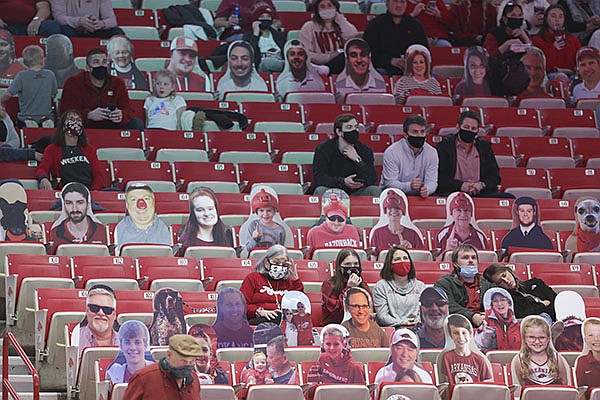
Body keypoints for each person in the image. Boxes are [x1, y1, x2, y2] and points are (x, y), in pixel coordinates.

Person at [60, 49, 143, 131]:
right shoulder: (73, 82)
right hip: (84, 124)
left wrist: (122, 115)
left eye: (104, 62)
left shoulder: (118, 83)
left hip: (112, 123)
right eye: (96, 62)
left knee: (136, 123)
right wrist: (88, 115)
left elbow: (128, 110)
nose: (101, 66)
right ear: (88, 68)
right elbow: (66, 113)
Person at [436, 110, 504, 198]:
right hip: (453, 194)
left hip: (480, 194)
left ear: (477, 131)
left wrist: (481, 185)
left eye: (473, 129)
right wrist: (461, 186)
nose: (469, 131)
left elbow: (495, 177)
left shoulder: (484, 147)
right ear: (458, 127)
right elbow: (439, 177)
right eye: (466, 127)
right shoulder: (445, 147)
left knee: (508, 197)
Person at [312, 113, 380, 196]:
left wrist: (358, 160)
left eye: (356, 127)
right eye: (349, 127)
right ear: (339, 132)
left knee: (374, 190)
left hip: (357, 192)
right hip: (333, 191)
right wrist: (343, 182)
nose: (354, 130)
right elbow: (319, 178)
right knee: (321, 190)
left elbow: (372, 179)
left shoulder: (365, 150)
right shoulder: (324, 149)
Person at [36, 109, 106, 190]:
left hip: (89, 192)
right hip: (66, 193)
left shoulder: (89, 149)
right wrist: (43, 178)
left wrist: (94, 191)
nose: (76, 123)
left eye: (78, 120)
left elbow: (98, 174)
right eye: (71, 119)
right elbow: (42, 169)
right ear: (63, 126)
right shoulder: (52, 149)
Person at [123, 334, 203, 400]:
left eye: (192, 361)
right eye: (183, 361)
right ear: (169, 355)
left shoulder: (194, 379)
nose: (187, 365)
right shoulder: (143, 378)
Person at [240, 244, 304, 325]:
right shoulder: (253, 278)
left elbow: (301, 306)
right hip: (260, 323)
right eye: (276, 262)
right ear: (266, 262)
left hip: (286, 323)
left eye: (284, 264)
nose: (280, 266)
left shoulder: (290, 282)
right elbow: (240, 306)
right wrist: (259, 311)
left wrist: (296, 280)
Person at [363, 0, 428, 76]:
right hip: (384, 69)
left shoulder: (416, 25)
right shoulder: (375, 25)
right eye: (395, 1)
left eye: (402, 2)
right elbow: (367, 53)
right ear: (387, 4)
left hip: (413, 70)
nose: (399, 5)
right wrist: (390, 61)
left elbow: (425, 52)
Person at [434, 244, 492, 328]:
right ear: (455, 263)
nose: (471, 261)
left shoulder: (487, 284)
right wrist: (472, 316)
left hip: (485, 326)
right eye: (465, 257)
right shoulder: (444, 283)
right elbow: (448, 306)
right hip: (456, 327)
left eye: (474, 258)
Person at [381, 114, 438, 197]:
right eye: (415, 132)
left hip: (420, 196)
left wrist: (427, 189)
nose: (419, 135)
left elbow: (432, 181)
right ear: (405, 134)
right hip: (393, 195)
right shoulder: (392, 152)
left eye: (422, 131)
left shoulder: (432, 152)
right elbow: (390, 182)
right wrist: (409, 186)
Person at [0, 45, 57, 128]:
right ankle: (45, 120)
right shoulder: (50, 75)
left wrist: (0, 101)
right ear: (42, 59)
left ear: (25, 62)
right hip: (47, 116)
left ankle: (30, 121)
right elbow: (53, 94)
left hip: (26, 117)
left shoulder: (22, 76)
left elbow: (8, 94)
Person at [298, 0, 359, 75]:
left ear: (335, 8)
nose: (326, 9)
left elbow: (352, 35)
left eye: (330, 6)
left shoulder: (340, 23)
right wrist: (329, 57)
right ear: (318, 11)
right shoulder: (309, 26)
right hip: (317, 66)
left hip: (342, 63)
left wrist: (340, 19)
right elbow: (306, 53)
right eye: (322, 7)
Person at [510, 315, 570, 388]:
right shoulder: (520, 360)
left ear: (548, 338)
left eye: (542, 337)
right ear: (524, 338)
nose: (537, 342)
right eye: (531, 337)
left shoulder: (556, 358)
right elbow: (522, 385)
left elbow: (564, 383)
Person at [373, 246, 426, 327]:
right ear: (390, 264)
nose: (402, 261)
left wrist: (416, 322)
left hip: (417, 328)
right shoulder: (381, 287)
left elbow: (424, 313)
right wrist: (401, 322)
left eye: (405, 258)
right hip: (392, 329)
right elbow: (382, 316)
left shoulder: (421, 286)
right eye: (397, 259)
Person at [482, 263, 557, 321]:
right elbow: (523, 314)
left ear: (509, 271)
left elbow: (555, 300)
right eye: (500, 282)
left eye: (504, 275)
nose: (507, 281)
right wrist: (542, 305)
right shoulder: (507, 300)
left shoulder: (536, 282)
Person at [114, 183, 171, 255]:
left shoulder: (165, 229)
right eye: (133, 199)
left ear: (153, 202)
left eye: (146, 198)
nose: (141, 204)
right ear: (127, 205)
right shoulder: (119, 230)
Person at [322, 248, 372, 325]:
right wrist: (349, 288)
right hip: (335, 327)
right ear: (340, 268)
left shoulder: (363, 285)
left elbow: (369, 309)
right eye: (347, 264)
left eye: (356, 264)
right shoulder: (329, 284)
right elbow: (334, 312)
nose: (352, 267)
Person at [439, 314, 493, 384]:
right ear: (450, 335)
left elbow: (484, 386)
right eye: (456, 333)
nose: (460, 337)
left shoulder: (480, 359)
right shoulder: (447, 357)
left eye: (464, 333)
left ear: (470, 334)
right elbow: (447, 384)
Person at [49, 182, 106, 247]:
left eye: (80, 203)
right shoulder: (55, 233)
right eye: (69, 203)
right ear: (64, 206)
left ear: (88, 205)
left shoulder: (101, 230)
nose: (74, 209)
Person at [71, 284, 119, 361]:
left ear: (114, 315)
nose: (101, 313)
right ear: (87, 311)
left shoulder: (127, 343)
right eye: (94, 308)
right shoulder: (73, 337)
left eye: (107, 310)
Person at [370, 189, 425, 254]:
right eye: (390, 208)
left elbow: (421, 258)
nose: (393, 211)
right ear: (385, 211)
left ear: (403, 211)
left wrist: (410, 250)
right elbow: (373, 258)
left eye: (397, 208)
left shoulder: (413, 234)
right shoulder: (377, 233)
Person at [334, 38, 387, 102]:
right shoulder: (338, 88)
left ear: (369, 59)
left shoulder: (381, 87)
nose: (359, 60)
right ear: (347, 60)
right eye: (353, 55)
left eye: (363, 55)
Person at [532, 5, 581, 75]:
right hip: (550, 76)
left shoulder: (573, 39)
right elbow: (539, 66)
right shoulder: (538, 40)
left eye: (561, 16)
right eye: (553, 16)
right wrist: (553, 49)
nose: (557, 19)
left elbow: (580, 60)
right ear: (546, 19)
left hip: (573, 75)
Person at [240, 187, 290, 254]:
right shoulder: (253, 225)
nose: (265, 214)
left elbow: (280, 251)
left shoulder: (280, 230)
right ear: (256, 212)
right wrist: (255, 239)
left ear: (275, 211)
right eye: (261, 211)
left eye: (269, 210)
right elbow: (249, 249)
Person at [107, 320, 154, 385]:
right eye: (127, 342)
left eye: (137, 342)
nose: (133, 348)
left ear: (145, 345)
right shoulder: (114, 372)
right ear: (121, 346)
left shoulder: (155, 371)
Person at [475, 288, 521, 352]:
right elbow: (481, 347)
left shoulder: (517, 325)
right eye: (495, 301)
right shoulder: (486, 324)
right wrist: (488, 330)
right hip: (492, 360)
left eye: (503, 300)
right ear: (492, 305)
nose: (499, 304)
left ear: (509, 303)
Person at [243, 3, 285, 73]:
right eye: (262, 16)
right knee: (266, 62)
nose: (265, 19)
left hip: (280, 67)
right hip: (260, 69)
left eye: (268, 16)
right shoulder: (248, 37)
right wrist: (255, 34)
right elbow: (248, 55)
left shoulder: (278, 36)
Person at [50, 0, 125, 38]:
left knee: (117, 32)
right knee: (63, 30)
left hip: (94, 29)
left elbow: (112, 20)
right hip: (72, 29)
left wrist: (101, 24)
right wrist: (79, 21)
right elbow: (59, 18)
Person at [214, 0, 280, 41]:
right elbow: (217, 22)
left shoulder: (266, 1)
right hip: (239, 35)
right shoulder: (230, 1)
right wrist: (228, 23)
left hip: (263, 35)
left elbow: (277, 21)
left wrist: (273, 27)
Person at [575, 318, 600, 400]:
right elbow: (581, 392)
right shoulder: (582, 362)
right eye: (591, 335)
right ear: (585, 340)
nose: (596, 339)